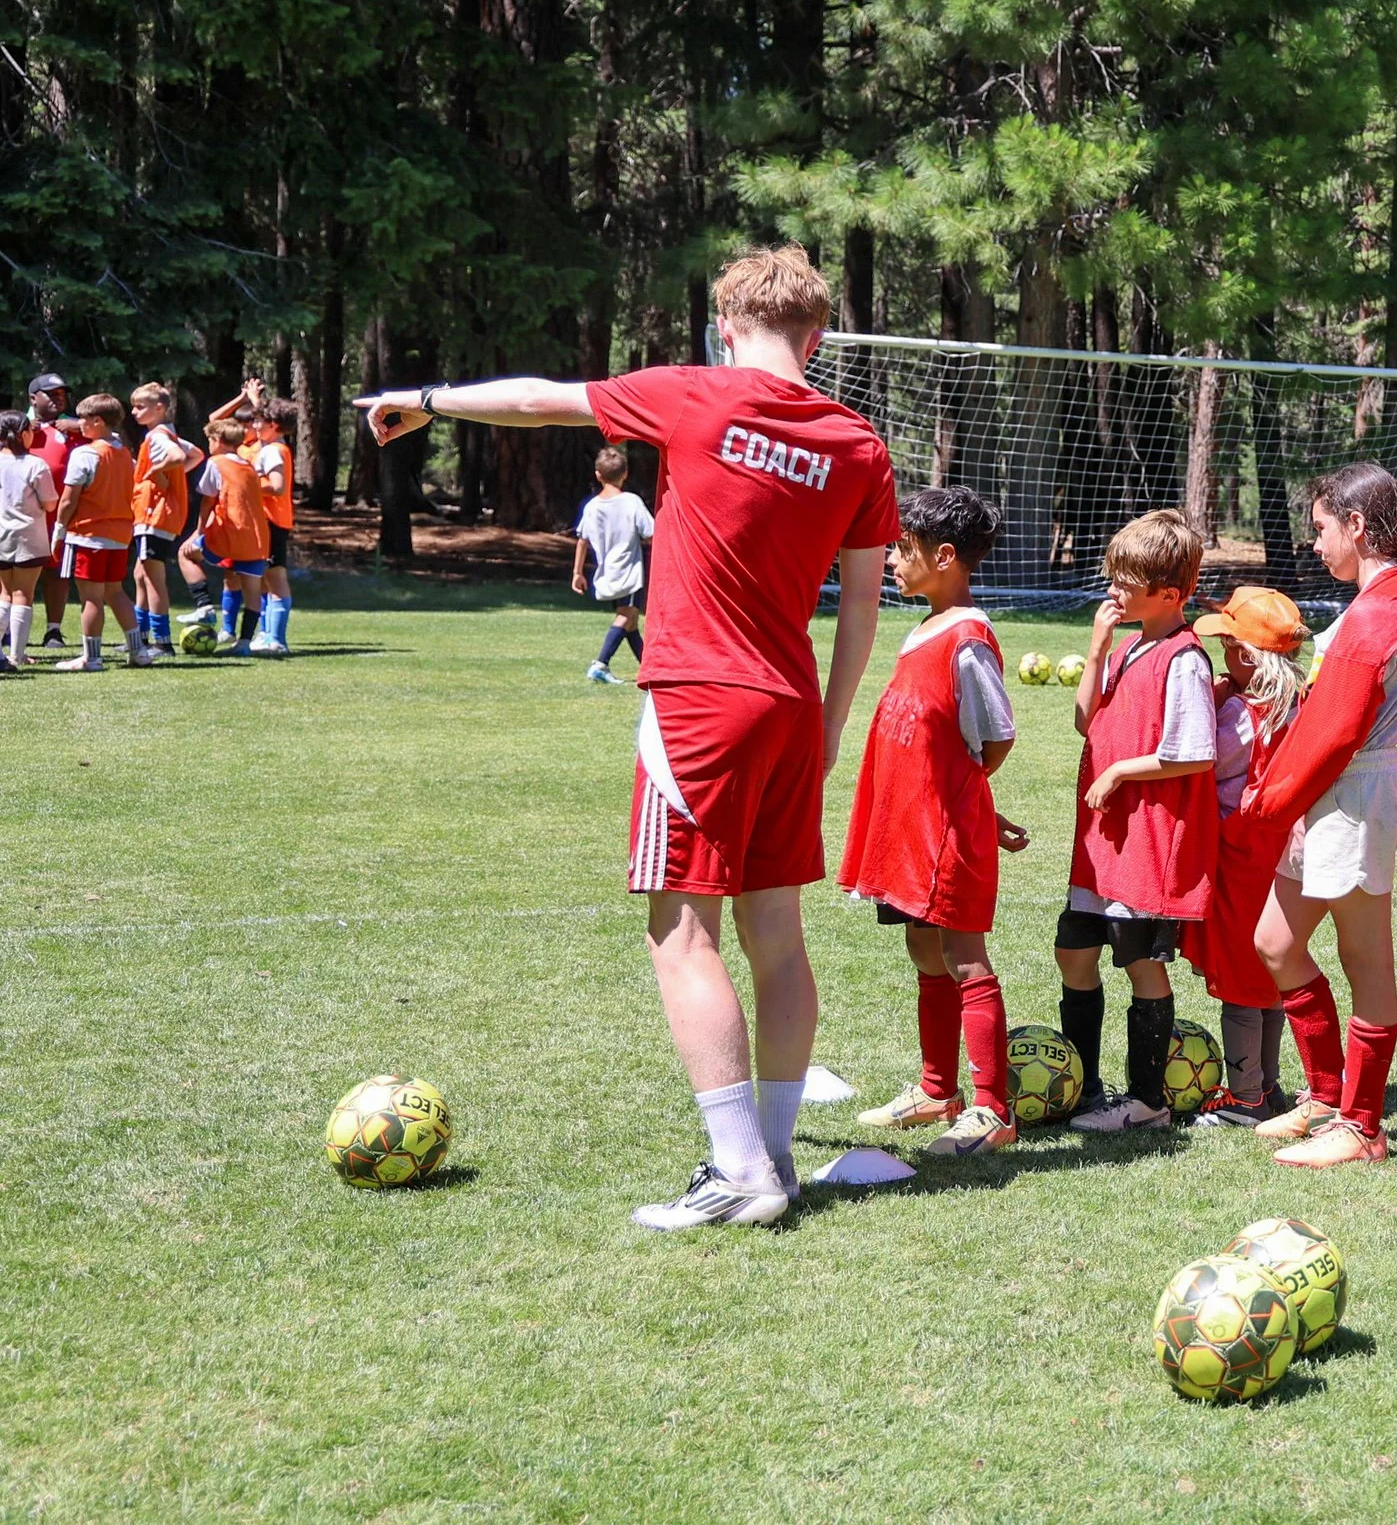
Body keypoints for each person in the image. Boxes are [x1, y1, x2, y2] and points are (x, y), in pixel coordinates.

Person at [358, 244, 894, 1230]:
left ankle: (742, 1173)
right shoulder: (857, 443)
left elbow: (539, 401)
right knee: (775, 937)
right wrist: (828, 725)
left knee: (680, 932)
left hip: (697, 698)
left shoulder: (694, 394)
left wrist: (430, 396)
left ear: (726, 325)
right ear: (815, 338)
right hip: (786, 707)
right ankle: (772, 1158)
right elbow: (861, 607)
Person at [1232, 462, 1397, 1169]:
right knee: (1277, 944)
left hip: (1355, 795)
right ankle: (1326, 1096)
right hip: (1336, 790)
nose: (1315, 545)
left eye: (1321, 529)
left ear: (1356, 525)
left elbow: (1337, 731)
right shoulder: (1374, 602)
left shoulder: (1381, 612)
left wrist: (1274, 796)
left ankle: (1362, 1127)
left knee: (1365, 959)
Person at [841, 484, 1027, 1157]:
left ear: (945, 556)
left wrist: (971, 807)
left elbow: (994, 740)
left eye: (905, 549)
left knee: (963, 955)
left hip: (944, 831)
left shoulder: (968, 638)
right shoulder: (924, 628)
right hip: (912, 829)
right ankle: (936, 1088)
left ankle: (992, 1111)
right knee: (924, 949)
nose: (893, 559)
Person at [1057, 508, 1220, 1133]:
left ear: (1169, 594)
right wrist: (1098, 648)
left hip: (1145, 843)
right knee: (1073, 951)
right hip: (1103, 842)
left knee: (1139, 965)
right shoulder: (1130, 645)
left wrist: (1120, 771)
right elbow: (1084, 721)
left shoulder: (1184, 658)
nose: (1113, 590)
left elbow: (1192, 751)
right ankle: (1087, 1088)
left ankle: (1148, 1104)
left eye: (1127, 581)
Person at [1179, 585, 1310, 1128]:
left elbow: (1200, 760)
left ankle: (1246, 1099)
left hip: (1238, 855)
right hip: (1281, 854)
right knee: (1268, 973)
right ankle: (1269, 1086)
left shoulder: (1235, 712)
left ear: (1242, 655)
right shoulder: (1297, 705)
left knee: (1238, 978)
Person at [48, 394, 155, 671]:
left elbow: (69, 499)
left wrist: (59, 530)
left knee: (91, 597)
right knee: (116, 592)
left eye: (83, 418)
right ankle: (138, 651)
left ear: (98, 421)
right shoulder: (123, 454)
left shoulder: (85, 453)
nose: (79, 423)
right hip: (119, 535)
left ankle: (91, 658)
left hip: (88, 534)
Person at [180, 418, 270, 653]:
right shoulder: (248, 465)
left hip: (230, 532)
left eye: (209, 440)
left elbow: (208, 499)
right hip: (257, 537)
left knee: (185, 554)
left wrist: (197, 532)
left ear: (217, 441)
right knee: (252, 589)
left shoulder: (216, 462)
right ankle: (244, 643)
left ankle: (204, 606)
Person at [127, 382, 202, 652]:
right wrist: (175, 474)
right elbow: (196, 455)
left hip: (153, 514)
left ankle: (162, 641)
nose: (134, 412)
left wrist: (155, 470)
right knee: (140, 574)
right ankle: (139, 637)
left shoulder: (157, 437)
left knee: (152, 578)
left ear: (159, 408)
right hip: (158, 515)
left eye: (140, 407)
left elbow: (179, 456)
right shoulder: (166, 433)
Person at [572, 445, 654, 684]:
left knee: (630, 623)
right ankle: (600, 664)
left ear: (598, 474)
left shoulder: (591, 507)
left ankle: (649, 669)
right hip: (629, 571)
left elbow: (582, 541)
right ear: (625, 473)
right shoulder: (632, 502)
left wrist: (577, 572)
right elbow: (651, 533)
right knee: (625, 616)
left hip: (607, 572)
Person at [0, 410, 59, 669]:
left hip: (1, 534)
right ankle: (16, 654)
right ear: (24, 434)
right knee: (23, 594)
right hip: (29, 535)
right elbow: (49, 502)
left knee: (3, 594)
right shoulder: (36, 465)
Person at [26, 373, 72, 649]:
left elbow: (110, 437)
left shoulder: (71, 430)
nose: (59, 398)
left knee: (56, 573)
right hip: (19, 517)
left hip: (59, 516)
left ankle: (53, 631)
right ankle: (7, 629)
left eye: (62, 394)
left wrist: (78, 426)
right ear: (33, 398)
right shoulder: (15, 427)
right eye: (51, 394)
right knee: (14, 573)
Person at [249, 398, 299, 655]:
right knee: (266, 579)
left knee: (275, 578)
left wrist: (247, 485)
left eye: (260, 421)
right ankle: (267, 635)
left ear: (276, 425)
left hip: (272, 521)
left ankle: (277, 639)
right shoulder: (271, 448)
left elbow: (277, 486)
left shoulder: (273, 451)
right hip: (267, 520)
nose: (255, 425)